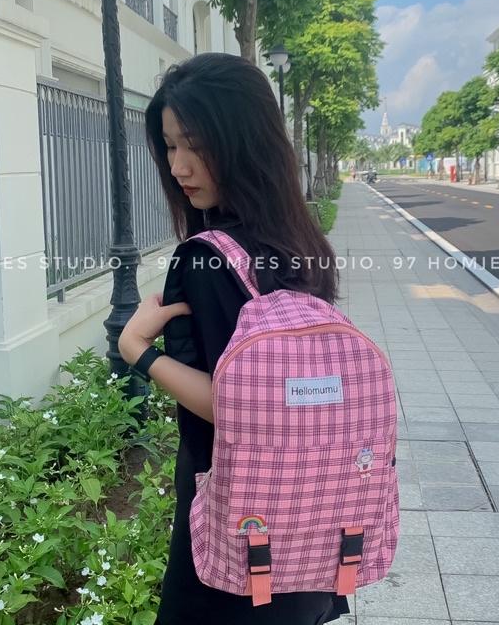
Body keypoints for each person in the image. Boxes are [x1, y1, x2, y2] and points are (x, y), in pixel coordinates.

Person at [117, 53, 350, 625]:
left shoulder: (206, 258)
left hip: (240, 520)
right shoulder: (301, 239)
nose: (179, 166)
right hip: (314, 509)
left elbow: (238, 406)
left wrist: (138, 352)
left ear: (243, 142)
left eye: (195, 145)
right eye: (170, 146)